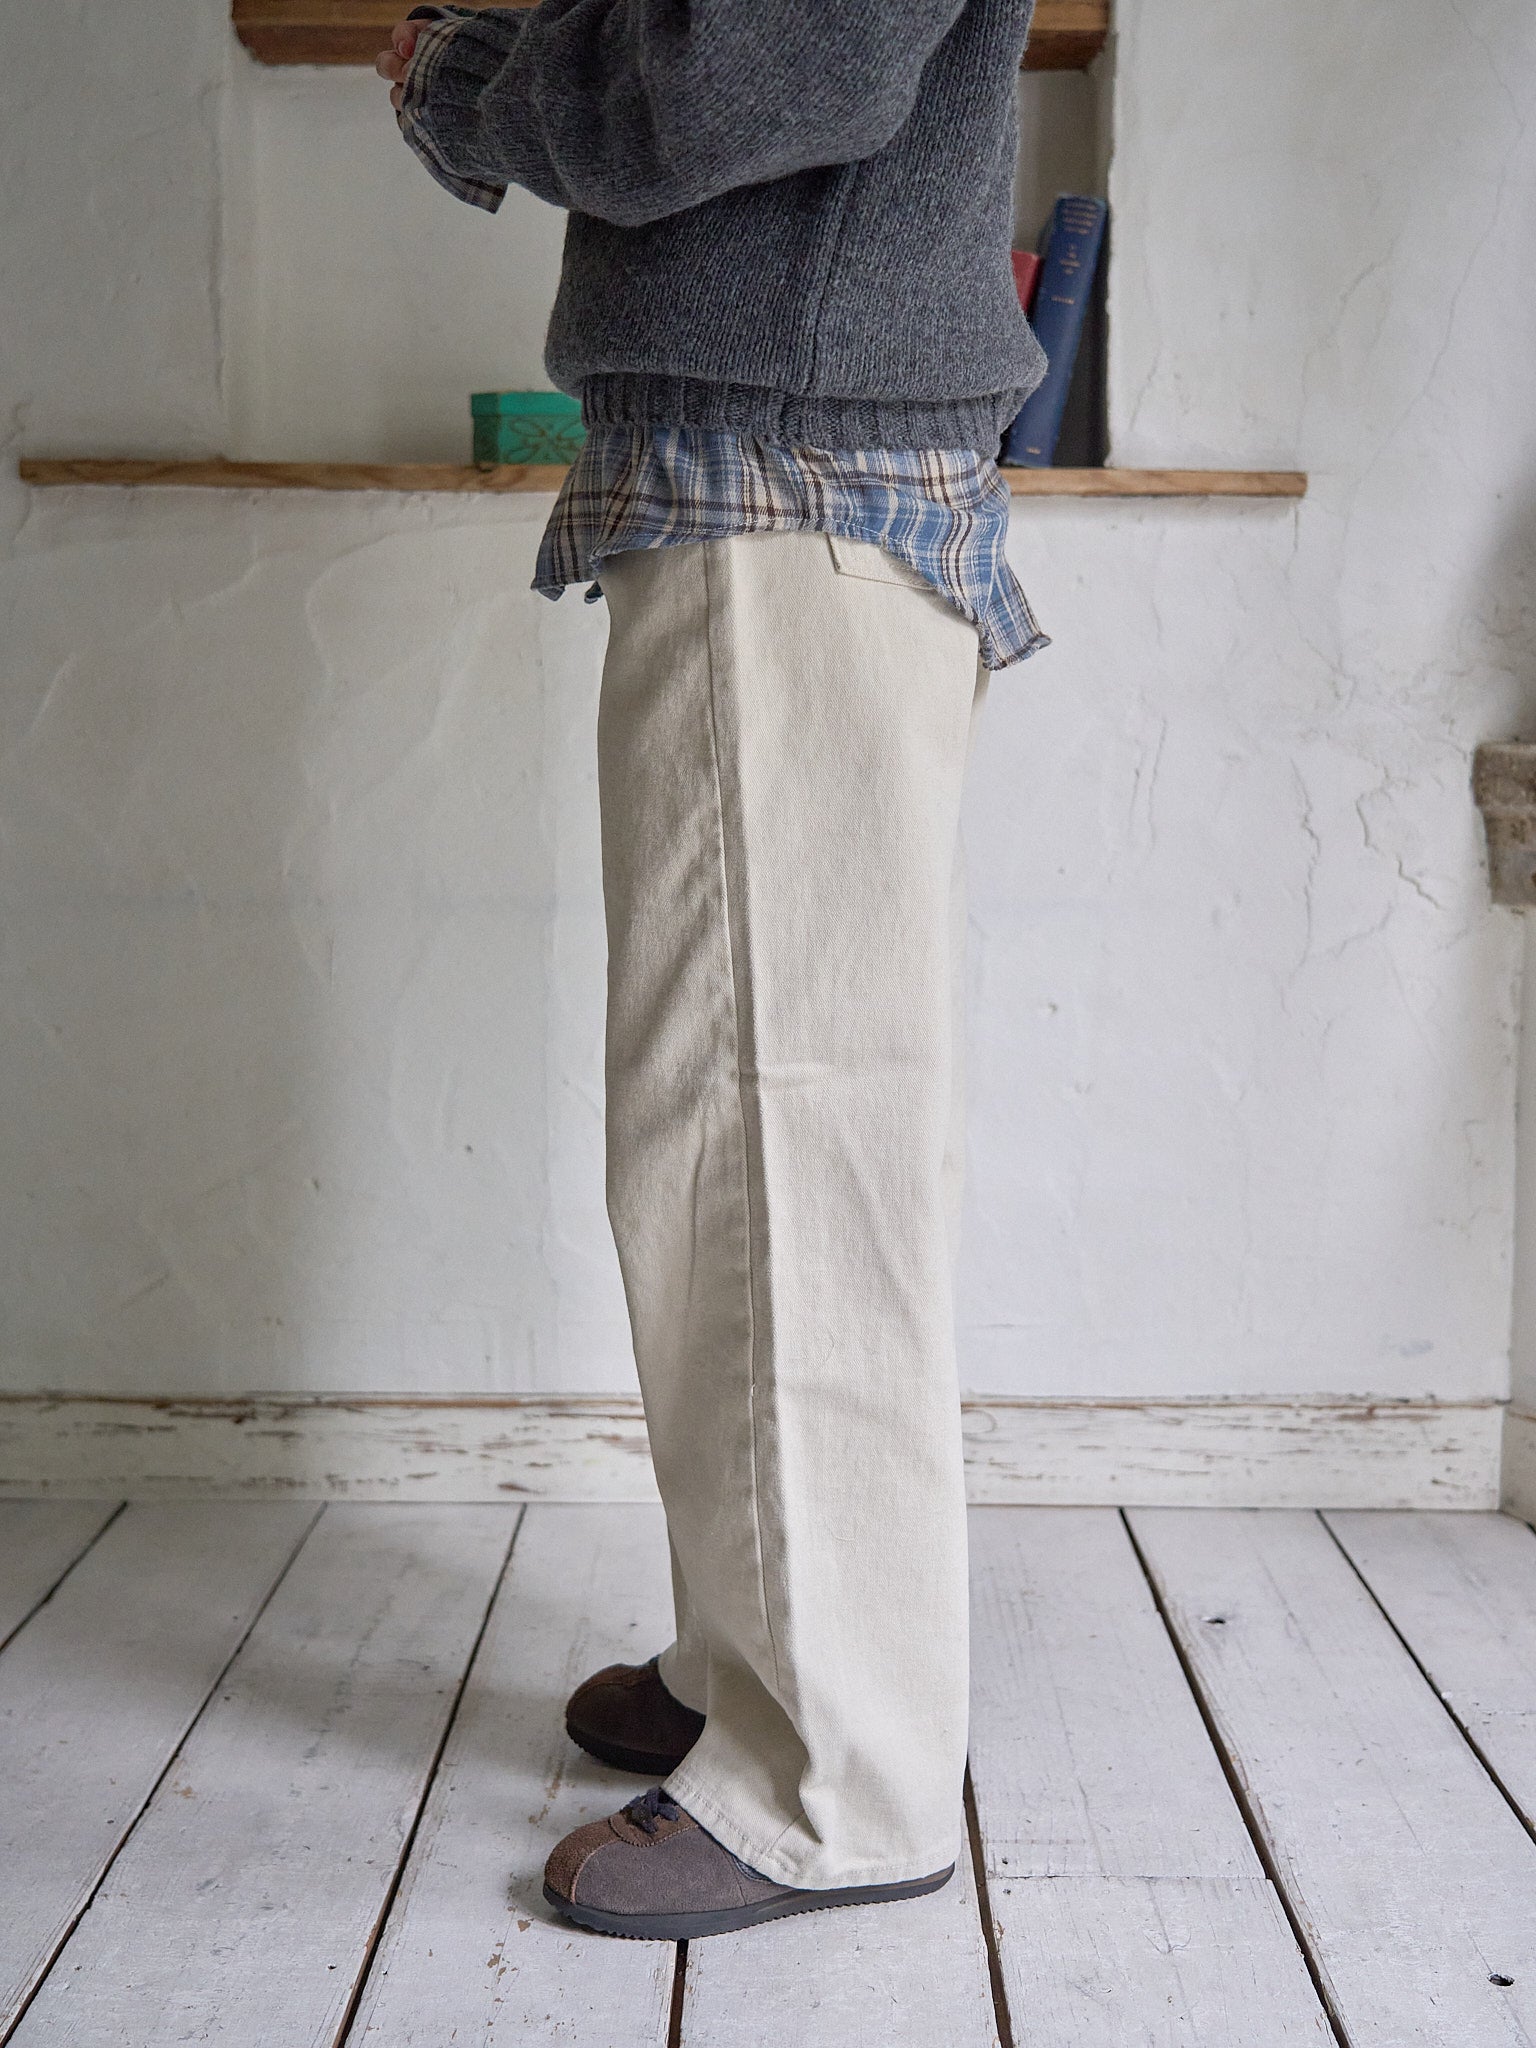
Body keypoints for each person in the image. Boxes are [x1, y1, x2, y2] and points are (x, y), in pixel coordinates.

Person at [377, 0, 1048, 1942]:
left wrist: (465, 80)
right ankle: (752, 1655)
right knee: (727, 1132)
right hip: (772, 465)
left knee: (780, 1141)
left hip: (788, 476)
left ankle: (838, 1776)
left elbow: (743, 77)